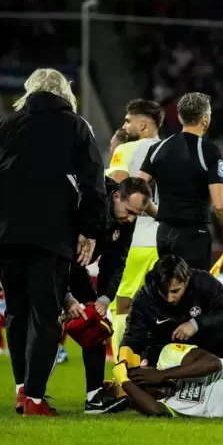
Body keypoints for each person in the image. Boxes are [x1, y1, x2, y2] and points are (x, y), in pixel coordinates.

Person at [0, 68, 107, 416]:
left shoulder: (4, 127)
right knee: (46, 314)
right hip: (51, 233)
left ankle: (22, 388)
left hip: (5, 234)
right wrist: (89, 229)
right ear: (64, 92)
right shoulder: (75, 126)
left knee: (16, 311)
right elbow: (93, 183)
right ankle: (35, 398)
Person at [57, 177, 152, 414]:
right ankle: (31, 396)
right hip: (49, 265)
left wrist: (104, 298)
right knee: (47, 327)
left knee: (95, 327)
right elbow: (56, 244)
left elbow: (116, 261)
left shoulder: (125, 219)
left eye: (136, 215)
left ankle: (94, 397)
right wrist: (65, 296)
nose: (130, 219)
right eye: (129, 212)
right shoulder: (85, 200)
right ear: (116, 196)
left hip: (76, 268)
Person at [137, 92, 223, 271]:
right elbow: (219, 205)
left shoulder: (157, 149)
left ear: (180, 117)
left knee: (169, 292)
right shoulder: (209, 152)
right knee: (193, 293)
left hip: (164, 234)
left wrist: (159, 213)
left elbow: (136, 191)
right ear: (205, 119)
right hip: (194, 235)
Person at [119, 255, 223, 367]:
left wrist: (196, 324)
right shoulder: (144, 298)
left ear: (186, 281)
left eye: (175, 291)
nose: (169, 299)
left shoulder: (202, 281)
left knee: (221, 335)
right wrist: (124, 362)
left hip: (203, 345)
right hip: (162, 349)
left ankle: (211, 374)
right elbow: (132, 337)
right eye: (163, 291)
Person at [110, 99, 164, 361]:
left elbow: (118, 186)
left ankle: (123, 370)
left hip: (134, 241)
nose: (125, 125)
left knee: (121, 306)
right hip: (165, 239)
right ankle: (151, 367)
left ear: (143, 124)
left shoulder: (127, 149)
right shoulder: (172, 148)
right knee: (161, 306)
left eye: (128, 120)